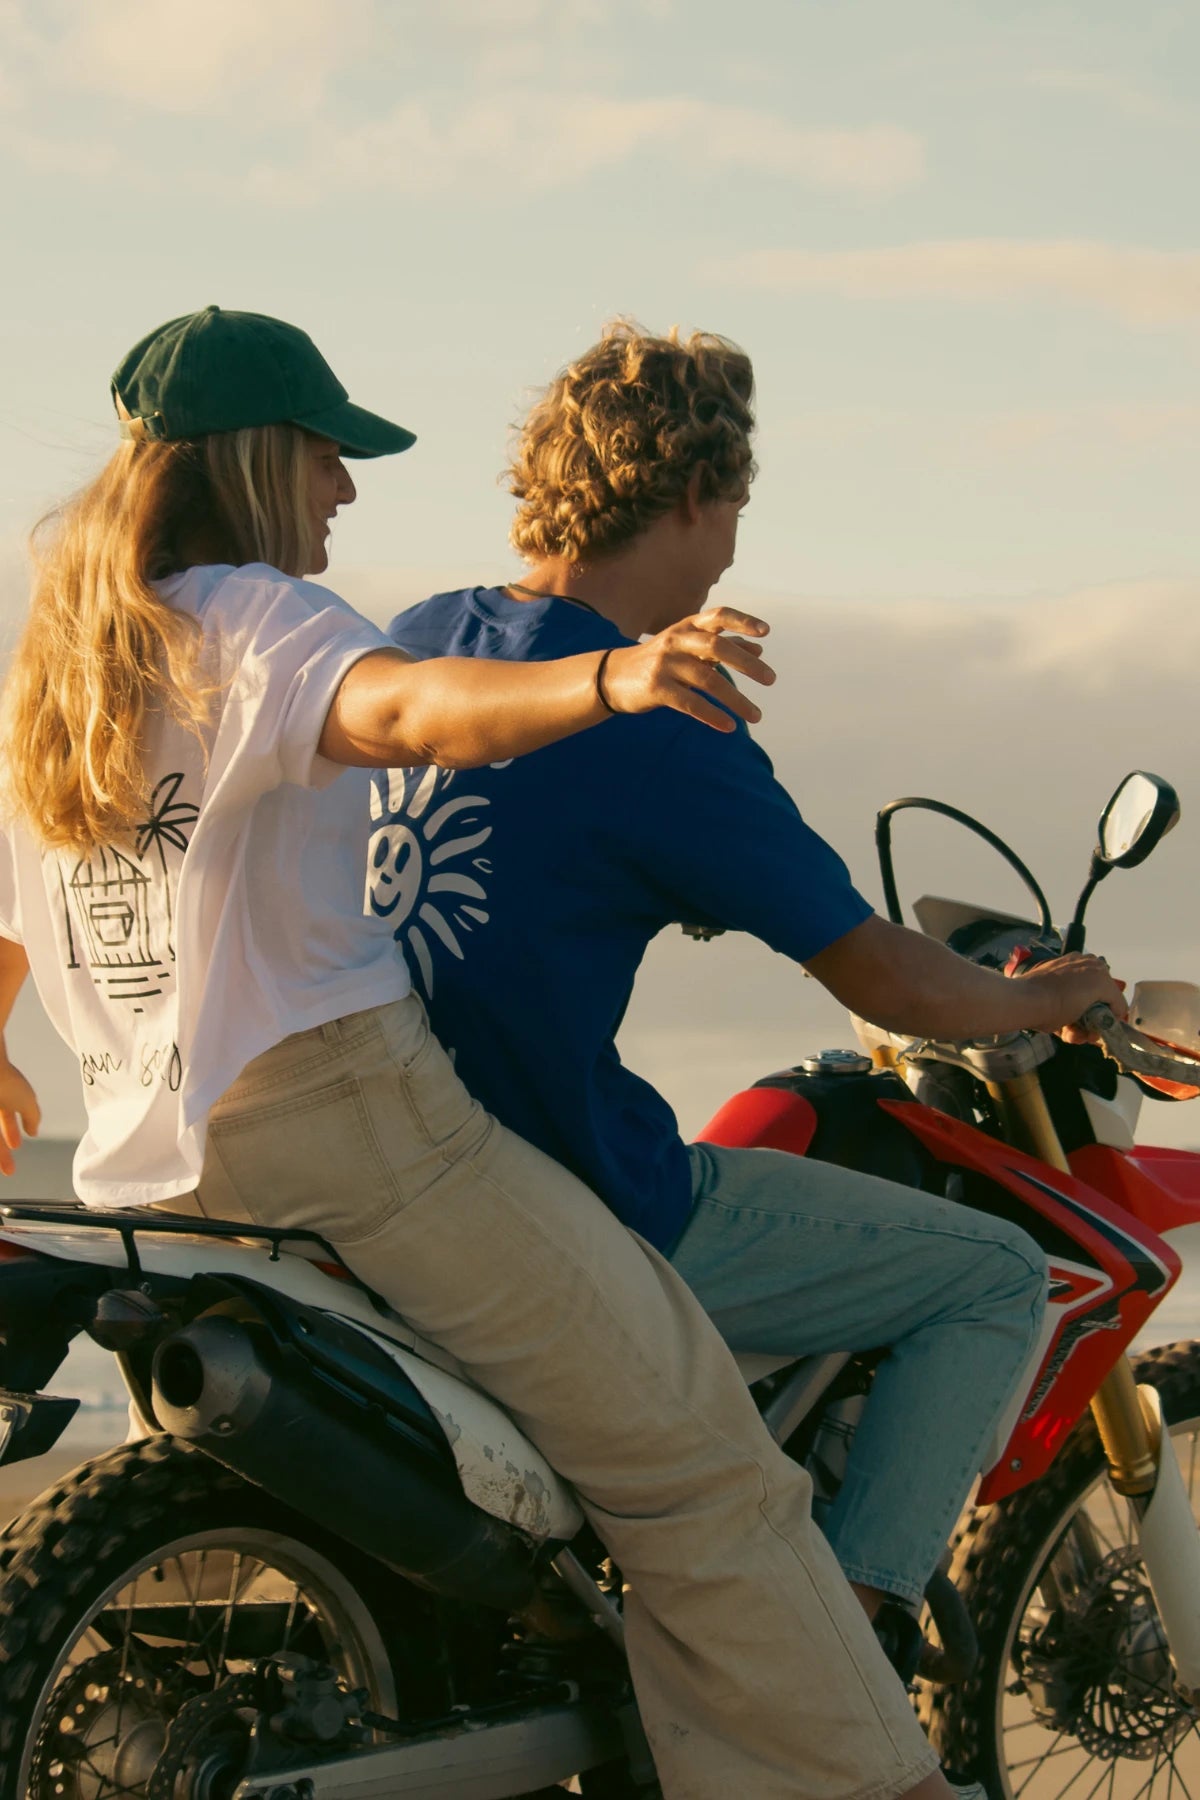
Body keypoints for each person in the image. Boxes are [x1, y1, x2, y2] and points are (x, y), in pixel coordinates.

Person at [0, 305, 967, 1800]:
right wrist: (611, 681)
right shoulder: (261, 621)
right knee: (707, 1480)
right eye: (330, 454)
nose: (347, 489)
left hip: (171, 1165)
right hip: (367, 1141)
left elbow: (29, 894)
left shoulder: (79, 661)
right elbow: (403, 710)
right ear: (262, 457)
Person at [378, 321, 1128, 1654]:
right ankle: (835, 1659)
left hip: (398, 1167)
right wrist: (1042, 997)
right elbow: (885, 977)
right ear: (690, 496)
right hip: (570, 1192)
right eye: (736, 507)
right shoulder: (659, 723)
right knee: (997, 1277)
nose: (733, 546)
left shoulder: (430, 640)